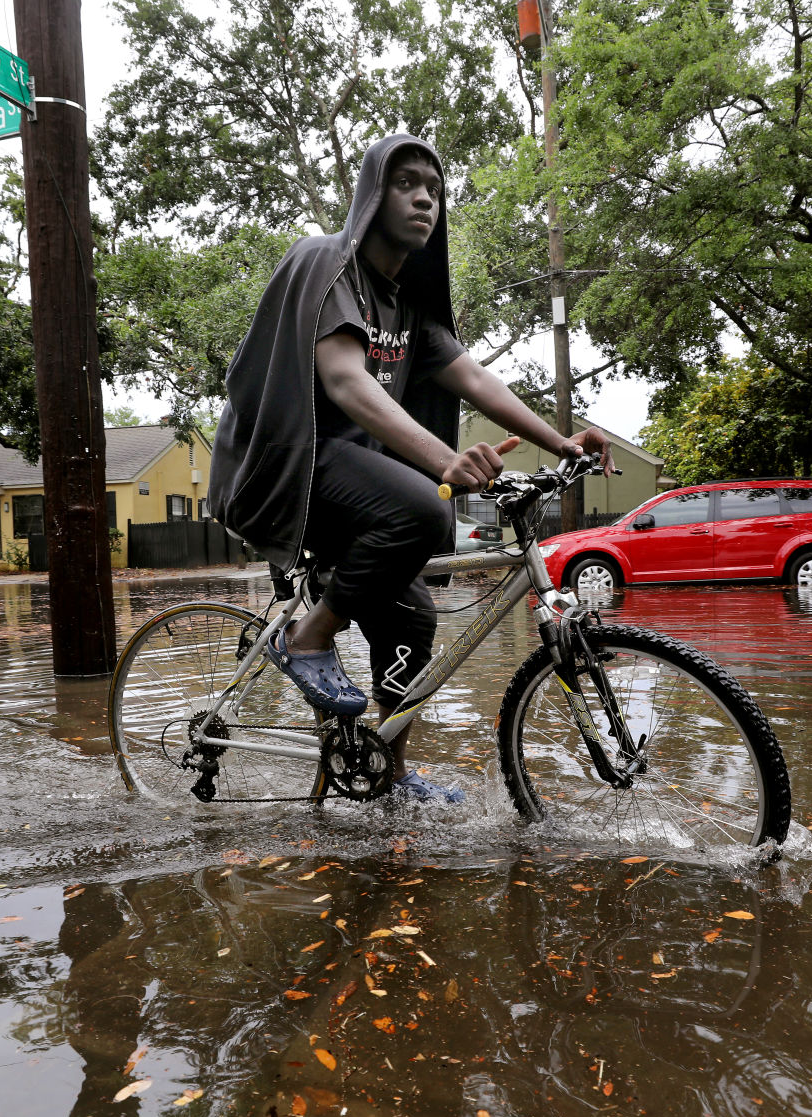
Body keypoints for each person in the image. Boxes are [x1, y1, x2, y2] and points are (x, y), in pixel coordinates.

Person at [209, 133, 613, 802]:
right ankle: (307, 640)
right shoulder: (327, 263)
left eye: (435, 187)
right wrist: (446, 463)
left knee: (414, 620)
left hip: (352, 484)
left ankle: (388, 777)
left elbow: (474, 379)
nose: (425, 195)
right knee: (428, 508)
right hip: (291, 468)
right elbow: (343, 382)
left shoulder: (408, 308)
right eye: (406, 182)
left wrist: (561, 442)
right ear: (372, 194)